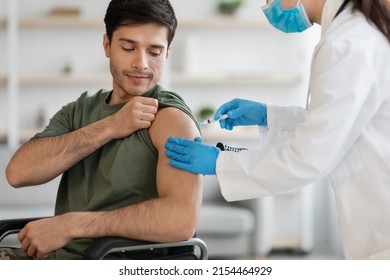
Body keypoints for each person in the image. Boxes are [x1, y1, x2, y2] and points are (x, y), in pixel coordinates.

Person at [165, 0, 390, 260]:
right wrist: (267, 116)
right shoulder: (357, 31)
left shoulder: (346, 43)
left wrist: (221, 163)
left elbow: (307, 157)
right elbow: (342, 125)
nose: (268, 6)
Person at [2, 0, 202, 260]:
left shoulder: (171, 118)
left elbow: (181, 220)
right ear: (107, 45)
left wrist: (73, 225)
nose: (141, 63)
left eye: (154, 51)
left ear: (167, 53)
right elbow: (18, 173)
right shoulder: (79, 111)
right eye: (128, 47)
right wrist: (110, 126)